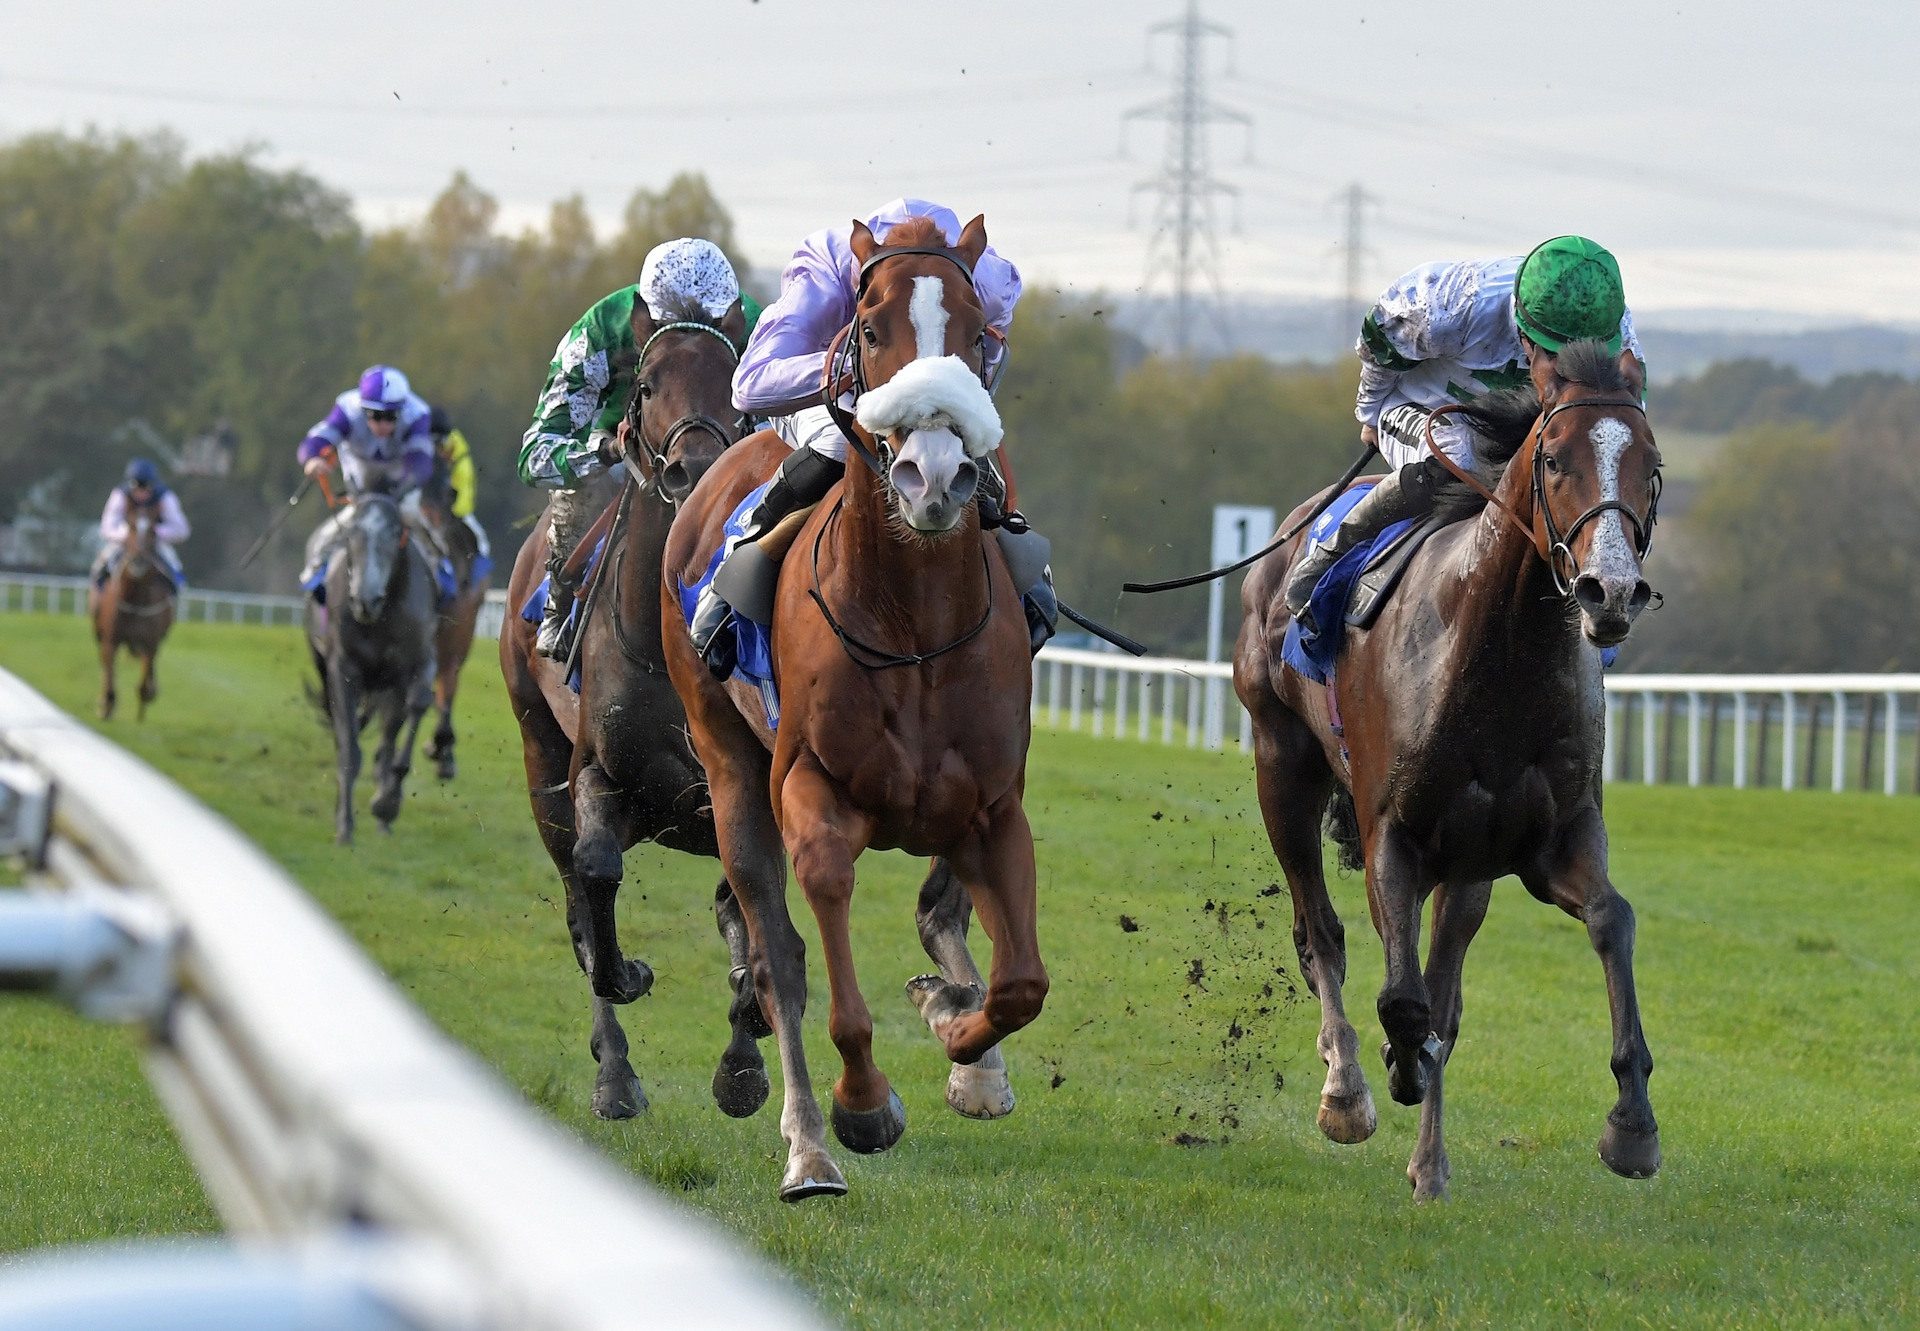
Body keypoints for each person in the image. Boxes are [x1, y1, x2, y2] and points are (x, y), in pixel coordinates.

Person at [687, 198, 1055, 677]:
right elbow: (750, 386)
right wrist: (853, 369)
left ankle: (1021, 557)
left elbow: (984, 361)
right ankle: (737, 562)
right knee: (842, 443)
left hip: (932, 400)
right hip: (828, 395)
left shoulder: (989, 281)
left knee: (966, 447)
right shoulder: (826, 268)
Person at [1285, 235, 1646, 619]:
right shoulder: (1449, 306)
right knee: (1462, 456)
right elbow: (1377, 342)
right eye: (1555, 356)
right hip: (1420, 406)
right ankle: (1333, 552)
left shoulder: (1616, 327)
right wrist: (1370, 414)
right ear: (1524, 333)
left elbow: (1623, 429)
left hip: (1514, 423)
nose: (1566, 371)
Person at [519, 237, 758, 659]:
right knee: (585, 490)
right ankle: (561, 597)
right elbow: (537, 454)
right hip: (623, 446)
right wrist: (605, 451)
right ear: (642, 319)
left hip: (724, 440)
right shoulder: (598, 330)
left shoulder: (758, 328)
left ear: (731, 317)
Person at [296, 365, 443, 594]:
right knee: (345, 522)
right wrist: (312, 459)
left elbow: (421, 463)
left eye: (390, 417)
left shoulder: (418, 414)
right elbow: (316, 440)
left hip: (401, 482)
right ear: (363, 410)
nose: (382, 424)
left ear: (401, 410)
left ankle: (439, 569)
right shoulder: (347, 408)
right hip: (360, 481)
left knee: (413, 517)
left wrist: (400, 488)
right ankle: (318, 567)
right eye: (375, 416)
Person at [92, 458, 188, 589]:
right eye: (137, 487)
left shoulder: (165, 497)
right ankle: (99, 595)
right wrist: (128, 535)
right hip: (125, 540)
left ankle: (175, 591)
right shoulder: (120, 495)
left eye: (146, 488)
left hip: (154, 541)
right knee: (100, 565)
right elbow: (106, 527)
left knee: (174, 566)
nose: (141, 493)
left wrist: (156, 532)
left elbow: (181, 529)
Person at [428, 404, 491, 565]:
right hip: (424, 509)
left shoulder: (461, 461)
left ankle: (476, 579)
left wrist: (452, 513)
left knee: (481, 542)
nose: (435, 449)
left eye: (438, 442)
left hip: (454, 513)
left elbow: (464, 499)